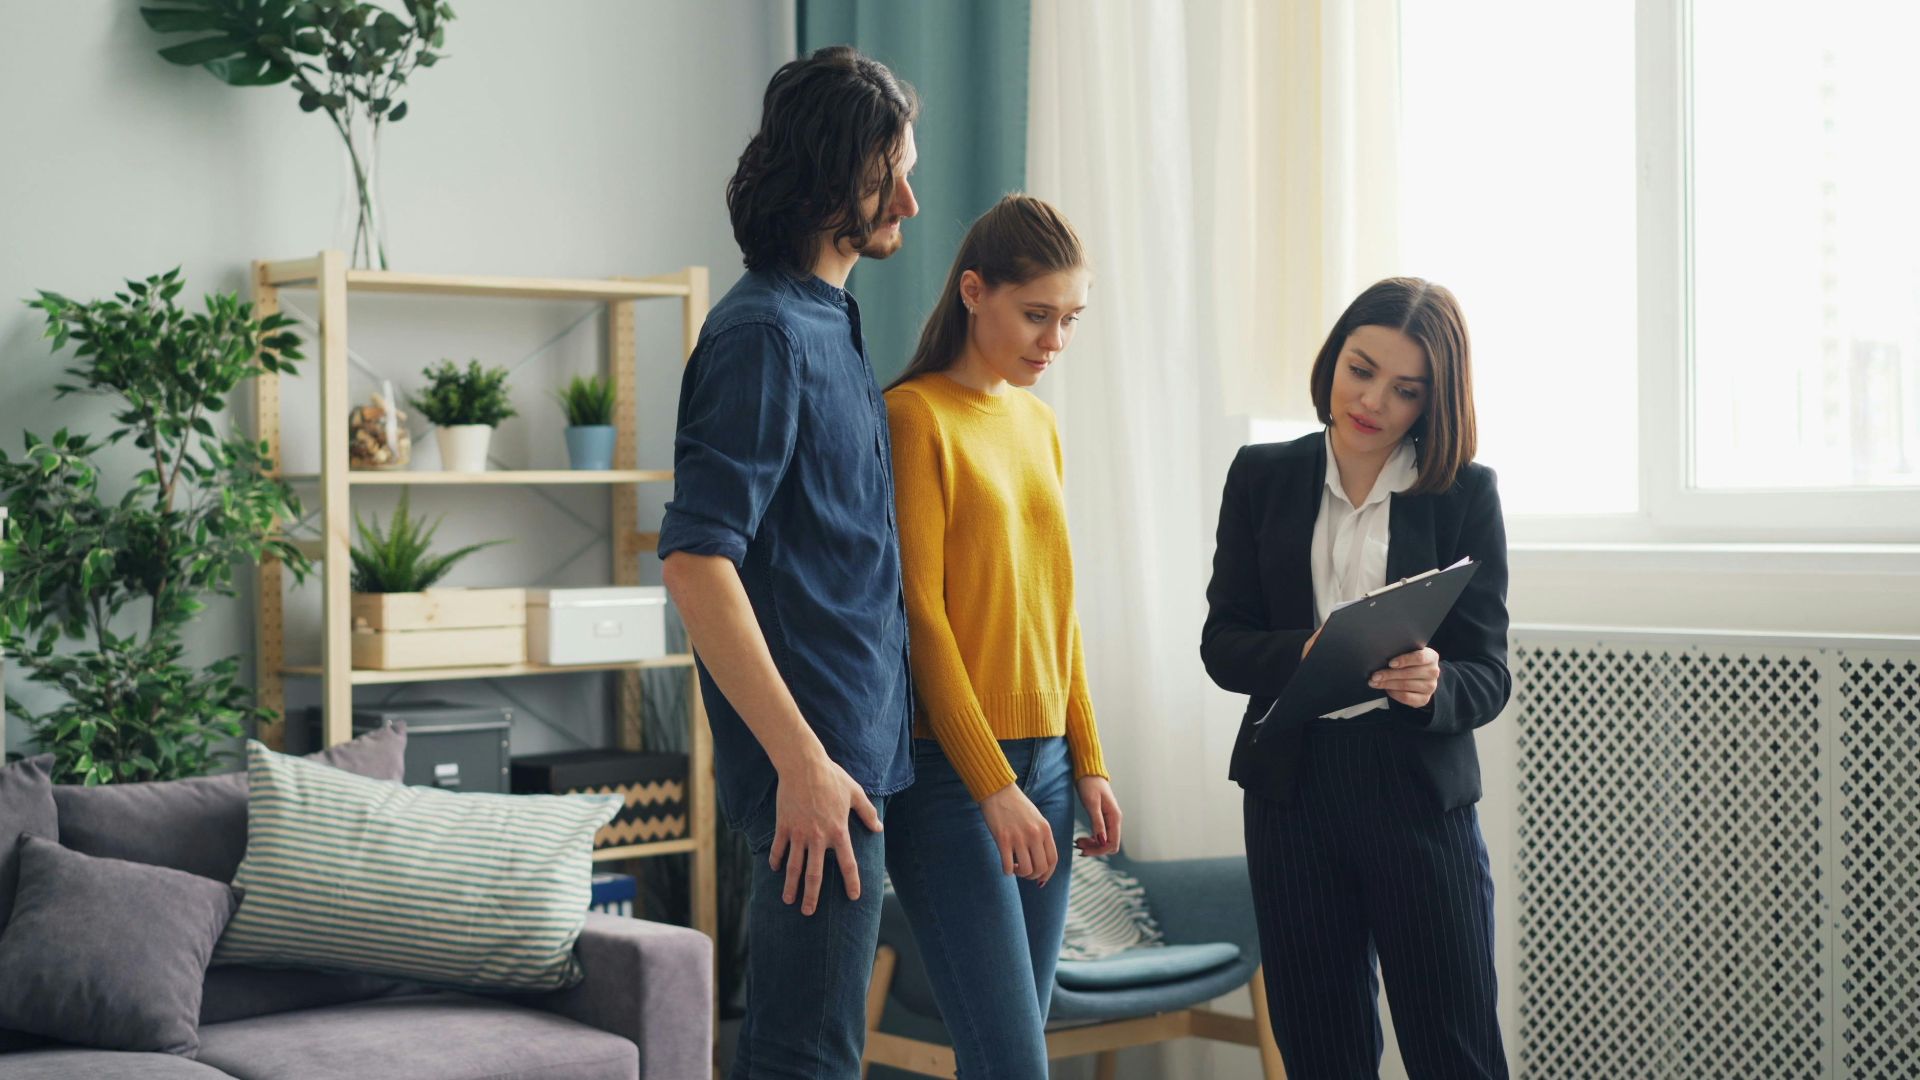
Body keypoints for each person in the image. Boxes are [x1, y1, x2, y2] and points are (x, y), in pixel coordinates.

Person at [656, 45, 920, 1078]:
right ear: (824, 179)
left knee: (825, 1047)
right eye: (883, 171)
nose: (907, 193)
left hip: (864, 749)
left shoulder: (831, 319)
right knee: (806, 1056)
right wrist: (803, 762)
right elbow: (696, 563)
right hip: (819, 770)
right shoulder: (763, 333)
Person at [1201, 277, 1511, 1078]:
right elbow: (1223, 643)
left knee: (1456, 1052)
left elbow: (1490, 672)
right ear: (1333, 356)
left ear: (1432, 404)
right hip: (1293, 793)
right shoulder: (1262, 476)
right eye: (1359, 368)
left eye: (1405, 390)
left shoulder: (1463, 494)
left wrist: (1434, 685)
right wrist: (1299, 655)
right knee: (1321, 1054)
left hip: (1414, 793)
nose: (1372, 400)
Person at [881, 194, 1123, 1078]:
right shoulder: (914, 417)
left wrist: (1087, 755)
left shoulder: (1039, 424)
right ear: (974, 291)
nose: (1053, 341)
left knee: (1017, 1054)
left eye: (1069, 321)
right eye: (1036, 315)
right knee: (1012, 1061)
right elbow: (921, 617)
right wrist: (991, 784)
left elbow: (1056, 607)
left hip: (1050, 767)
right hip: (950, 776)